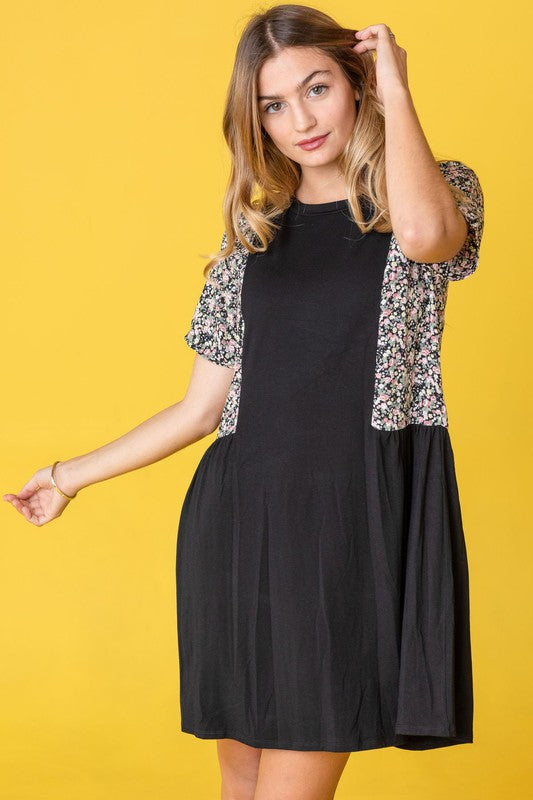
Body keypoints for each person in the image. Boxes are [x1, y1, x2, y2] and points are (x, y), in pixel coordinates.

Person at [3, 4, 484, 799]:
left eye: (318, 87)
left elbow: (432, 238)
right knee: (242, 785)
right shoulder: (250, 239)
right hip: (240, 523)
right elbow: (199, 410)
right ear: (253, 117)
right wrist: (66, 476)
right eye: (273, 103)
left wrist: (395, 88)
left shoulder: (425, 191)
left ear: (356, 81)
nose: (299, 119)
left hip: (350, 521)